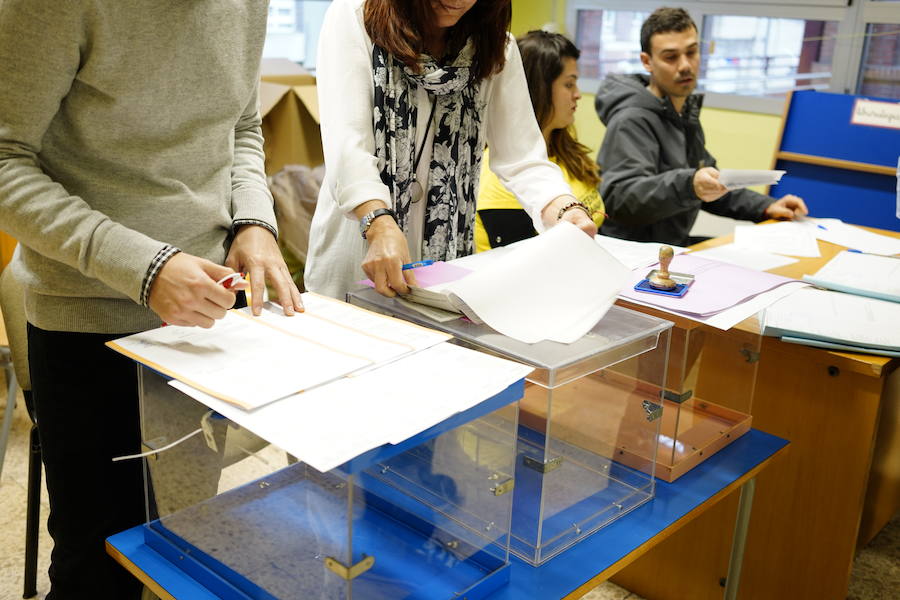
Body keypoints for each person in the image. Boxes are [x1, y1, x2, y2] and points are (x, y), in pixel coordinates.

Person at [0, 2, 302, 598]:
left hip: (210, 318)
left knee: (178, 540)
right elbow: (6, 161)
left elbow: (241, 126)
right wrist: (146, 267)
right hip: (90, 323)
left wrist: (253, 222)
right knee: (99, 562)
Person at [304, 0, 597, 300]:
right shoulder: (356, 19)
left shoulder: (495, 46)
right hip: (358, 255)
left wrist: (563, 208)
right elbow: (347, 147)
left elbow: (521, 157)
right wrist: (378, 223)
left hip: (444, 266)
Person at [595, 7, 808, 246]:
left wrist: (766, 207)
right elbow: (620, 199)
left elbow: (712, 186)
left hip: (670, 243)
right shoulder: (632, 119)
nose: (685, 65)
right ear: (647, 61)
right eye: (671, 57)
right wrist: (689, 184)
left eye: (692, 52)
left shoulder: (683, 114)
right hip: (638, 253)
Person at [475, 30, 605, 252]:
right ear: (539, 88)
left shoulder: (565, 150)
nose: (578, 94)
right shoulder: (504, 178)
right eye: (569, 84)